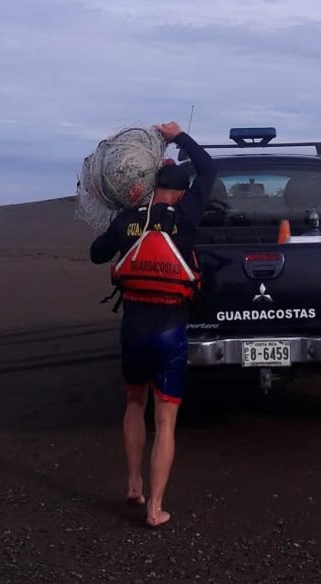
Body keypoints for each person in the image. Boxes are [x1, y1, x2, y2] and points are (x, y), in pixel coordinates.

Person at [90, 121, 216, 527]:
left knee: (133, 403)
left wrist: (121, 225)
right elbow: (208, 169)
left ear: (150, 184)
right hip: (170, 331)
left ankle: (132, 483)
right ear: (179, 193)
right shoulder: (188, 217)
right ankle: (155, 507)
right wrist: (180, 135)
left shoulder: (129, 218)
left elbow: (96, 254)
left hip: (134, 328)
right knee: (165, 422)